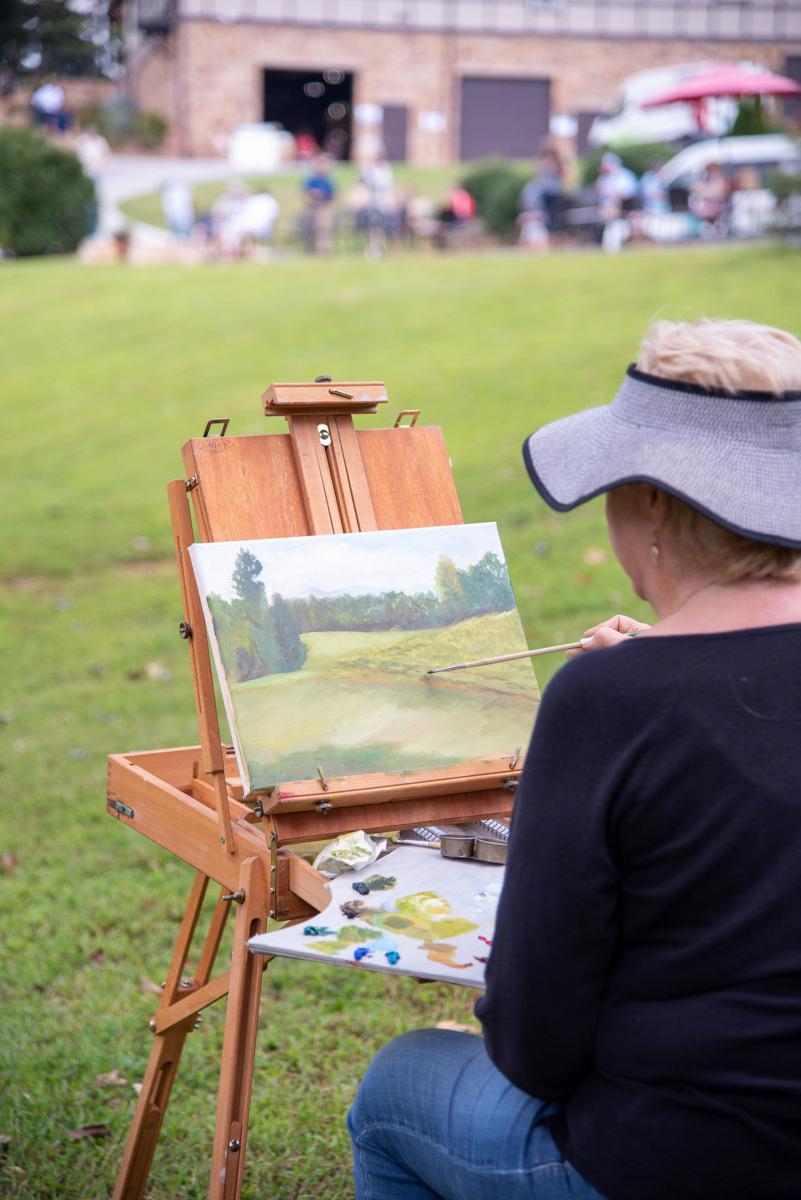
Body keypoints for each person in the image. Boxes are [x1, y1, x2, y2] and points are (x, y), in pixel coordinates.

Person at [348, 317, 801, 1200]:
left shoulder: (608, 704)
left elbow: (533, 1044)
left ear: (656, 504)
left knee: (395, 1088)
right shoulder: (629, 695)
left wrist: (630, 694)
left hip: (683, 1159)